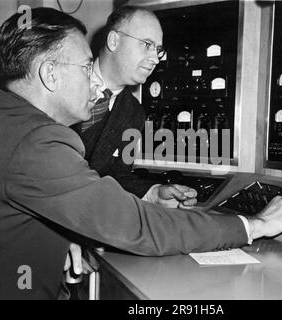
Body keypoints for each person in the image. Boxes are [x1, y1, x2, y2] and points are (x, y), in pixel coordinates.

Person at [0, 7, 282, 299]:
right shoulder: (38, 140)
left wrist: (57, 238)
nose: (93, 84)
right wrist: (255, 224)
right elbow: (138, 225)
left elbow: (40, 197)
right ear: (49, 74)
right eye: (84, 67)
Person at [72, 6, 197, 208]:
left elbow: (117, 176)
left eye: (158, 50)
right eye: (147, 44)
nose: (156, 59)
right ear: (114, 41)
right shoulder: (63, 83)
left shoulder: (135, 113)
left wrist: (153, 192)